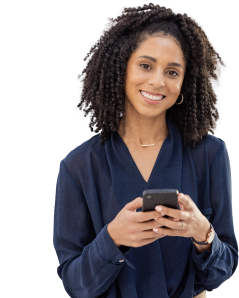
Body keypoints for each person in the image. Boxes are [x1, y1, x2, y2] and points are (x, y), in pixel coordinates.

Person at [53, 3, 238, 298]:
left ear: (183, 83)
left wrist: (204, 236)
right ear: (121, 66)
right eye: (146, 65)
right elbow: (75, 284)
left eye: (172, 71)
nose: (157, 81)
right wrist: (112, 239)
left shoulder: (208, 154)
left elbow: (221, 271)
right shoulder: (79, 166)